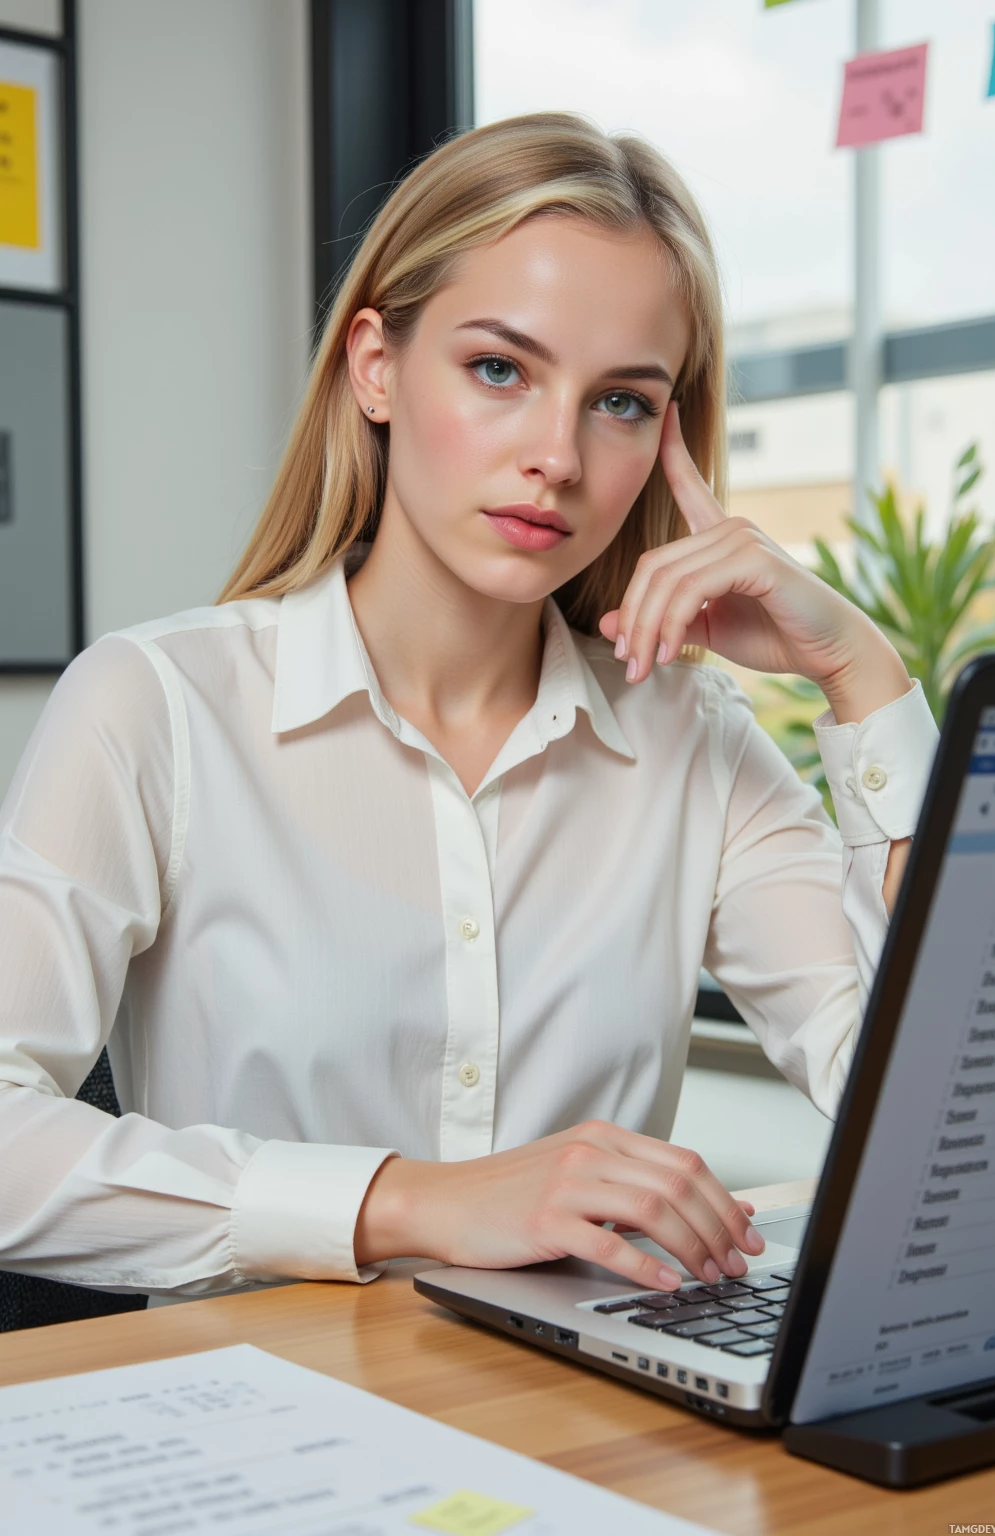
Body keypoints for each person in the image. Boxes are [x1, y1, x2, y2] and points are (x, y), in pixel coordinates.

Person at [0, 113, 937, 1305]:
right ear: (375, 367)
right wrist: (411, 1201)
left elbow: (940, 1121)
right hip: (261, 1433)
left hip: (579, 1428)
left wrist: (860, 672)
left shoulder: (691, 741)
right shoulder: (157, 707)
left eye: (622, 403)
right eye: (500, 369)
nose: (557, 455)